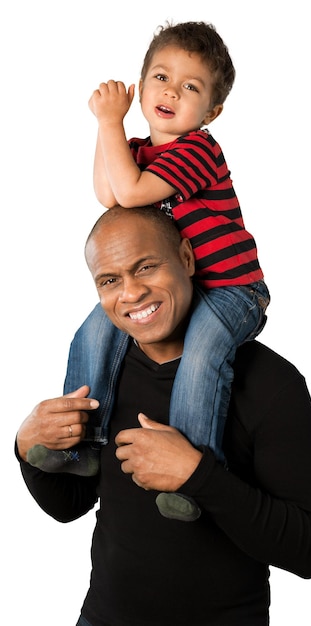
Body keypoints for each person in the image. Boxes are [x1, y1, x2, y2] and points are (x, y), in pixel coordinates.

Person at [16, 206, 311, 626]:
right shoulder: (103, 371)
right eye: (110, 280)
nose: (131, 293)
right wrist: (25, 447)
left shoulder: (273, 383)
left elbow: (308, 551)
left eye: (145, 267)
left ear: (185, 258)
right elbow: (69, 505)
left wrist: (198, 476)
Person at [26, 22, 270, 522]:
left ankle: (191, 473)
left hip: (231, 290)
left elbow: (132, 194)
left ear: (212, 111)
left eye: (191, 87)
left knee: (202, 355)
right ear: (141, 87)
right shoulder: (136, 150)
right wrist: (105, 124)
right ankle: (82, 445)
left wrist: (112, 125)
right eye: (161, 77)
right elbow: (109, 195)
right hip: (186, 286)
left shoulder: (199, 149)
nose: (172, 91)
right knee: (93, 329)